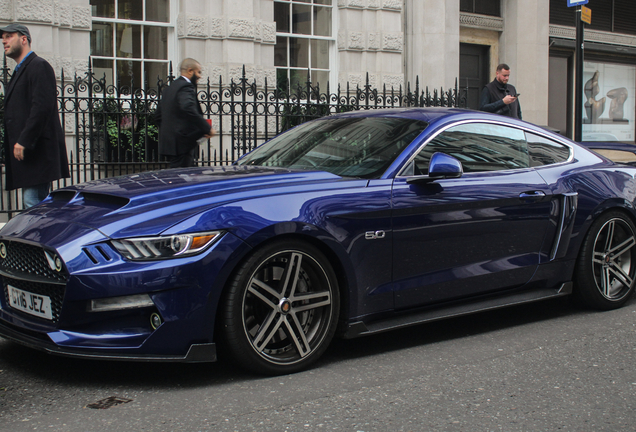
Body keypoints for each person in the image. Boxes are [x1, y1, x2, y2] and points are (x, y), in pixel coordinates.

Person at [1, 23, 69, 208]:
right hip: (30, 154)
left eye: (9, 36)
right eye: (3, 37)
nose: (4, 41)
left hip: (37, 151)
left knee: (34, 204)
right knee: (33, 204)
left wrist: (24, 140)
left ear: (24, 39)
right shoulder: (20, 70)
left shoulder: (39, 66)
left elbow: (42, 107)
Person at [155, 58, 215, 168]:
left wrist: (170, 132)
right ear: (190, 71)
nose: (200, 76)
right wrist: (207, 128)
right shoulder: (185, 87)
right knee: (181, 180)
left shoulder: (169, 89)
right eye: (199, 72)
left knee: (181, 177)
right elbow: (188, 108)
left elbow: (158, 116)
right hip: (183, 145)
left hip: (170, 145)